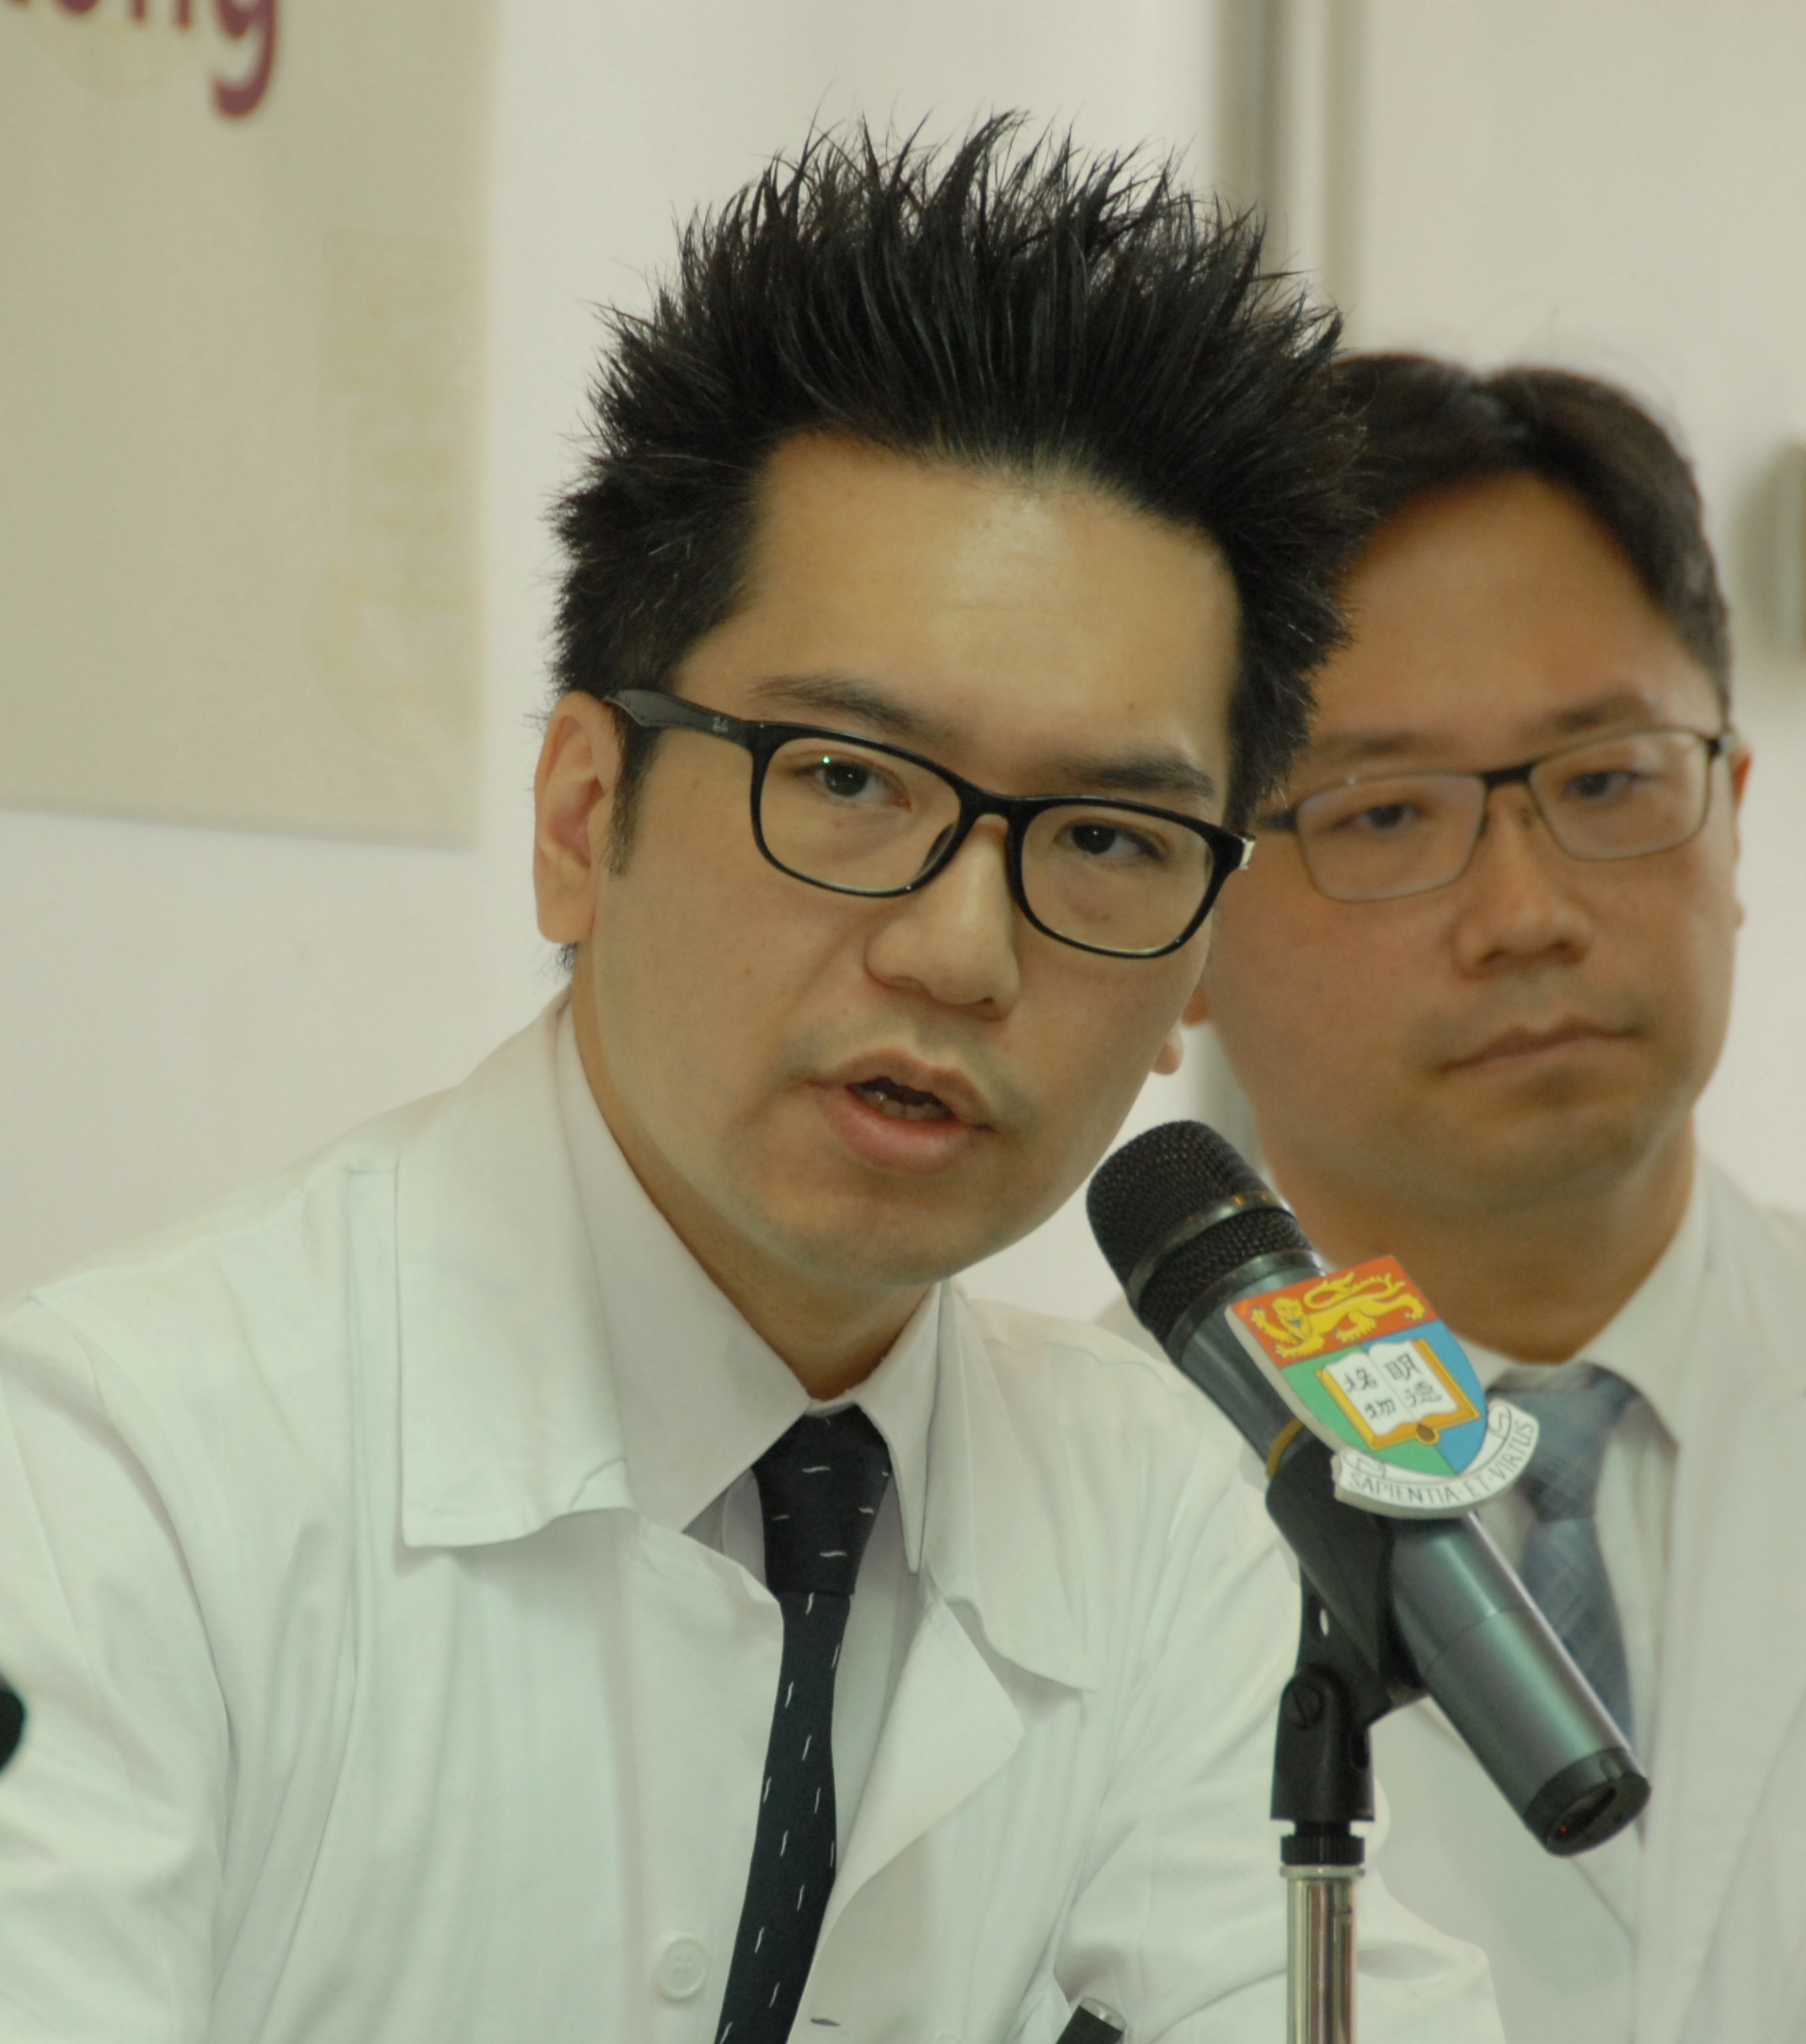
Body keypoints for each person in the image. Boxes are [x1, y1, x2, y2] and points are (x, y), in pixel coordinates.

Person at [0, 131, 1502, 2041]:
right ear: (581, 818)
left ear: (1195, 961)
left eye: (1106, 837)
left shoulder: (1176, 1524)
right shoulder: (114, 1479)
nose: (962, 948)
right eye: (848, 779)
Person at [1188, 352, 1806, 2043]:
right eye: (1386, 811)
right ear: (1182, 911)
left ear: (1732, 818)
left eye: (1604, 780)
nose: (1524, 911)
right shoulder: (1049, 1524)